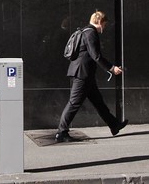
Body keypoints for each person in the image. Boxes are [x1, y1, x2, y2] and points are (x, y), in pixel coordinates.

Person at [55, 10, 128, 142]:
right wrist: (112, 68)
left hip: (85, 74)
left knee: (98, 102)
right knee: (74, 103)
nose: (104, 28)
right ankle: (61, 132)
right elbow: (96, 56)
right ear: (100, 22)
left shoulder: (85, 31)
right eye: (104, 25)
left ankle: (114, 125)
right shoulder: (91, 33)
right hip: (82, 74)